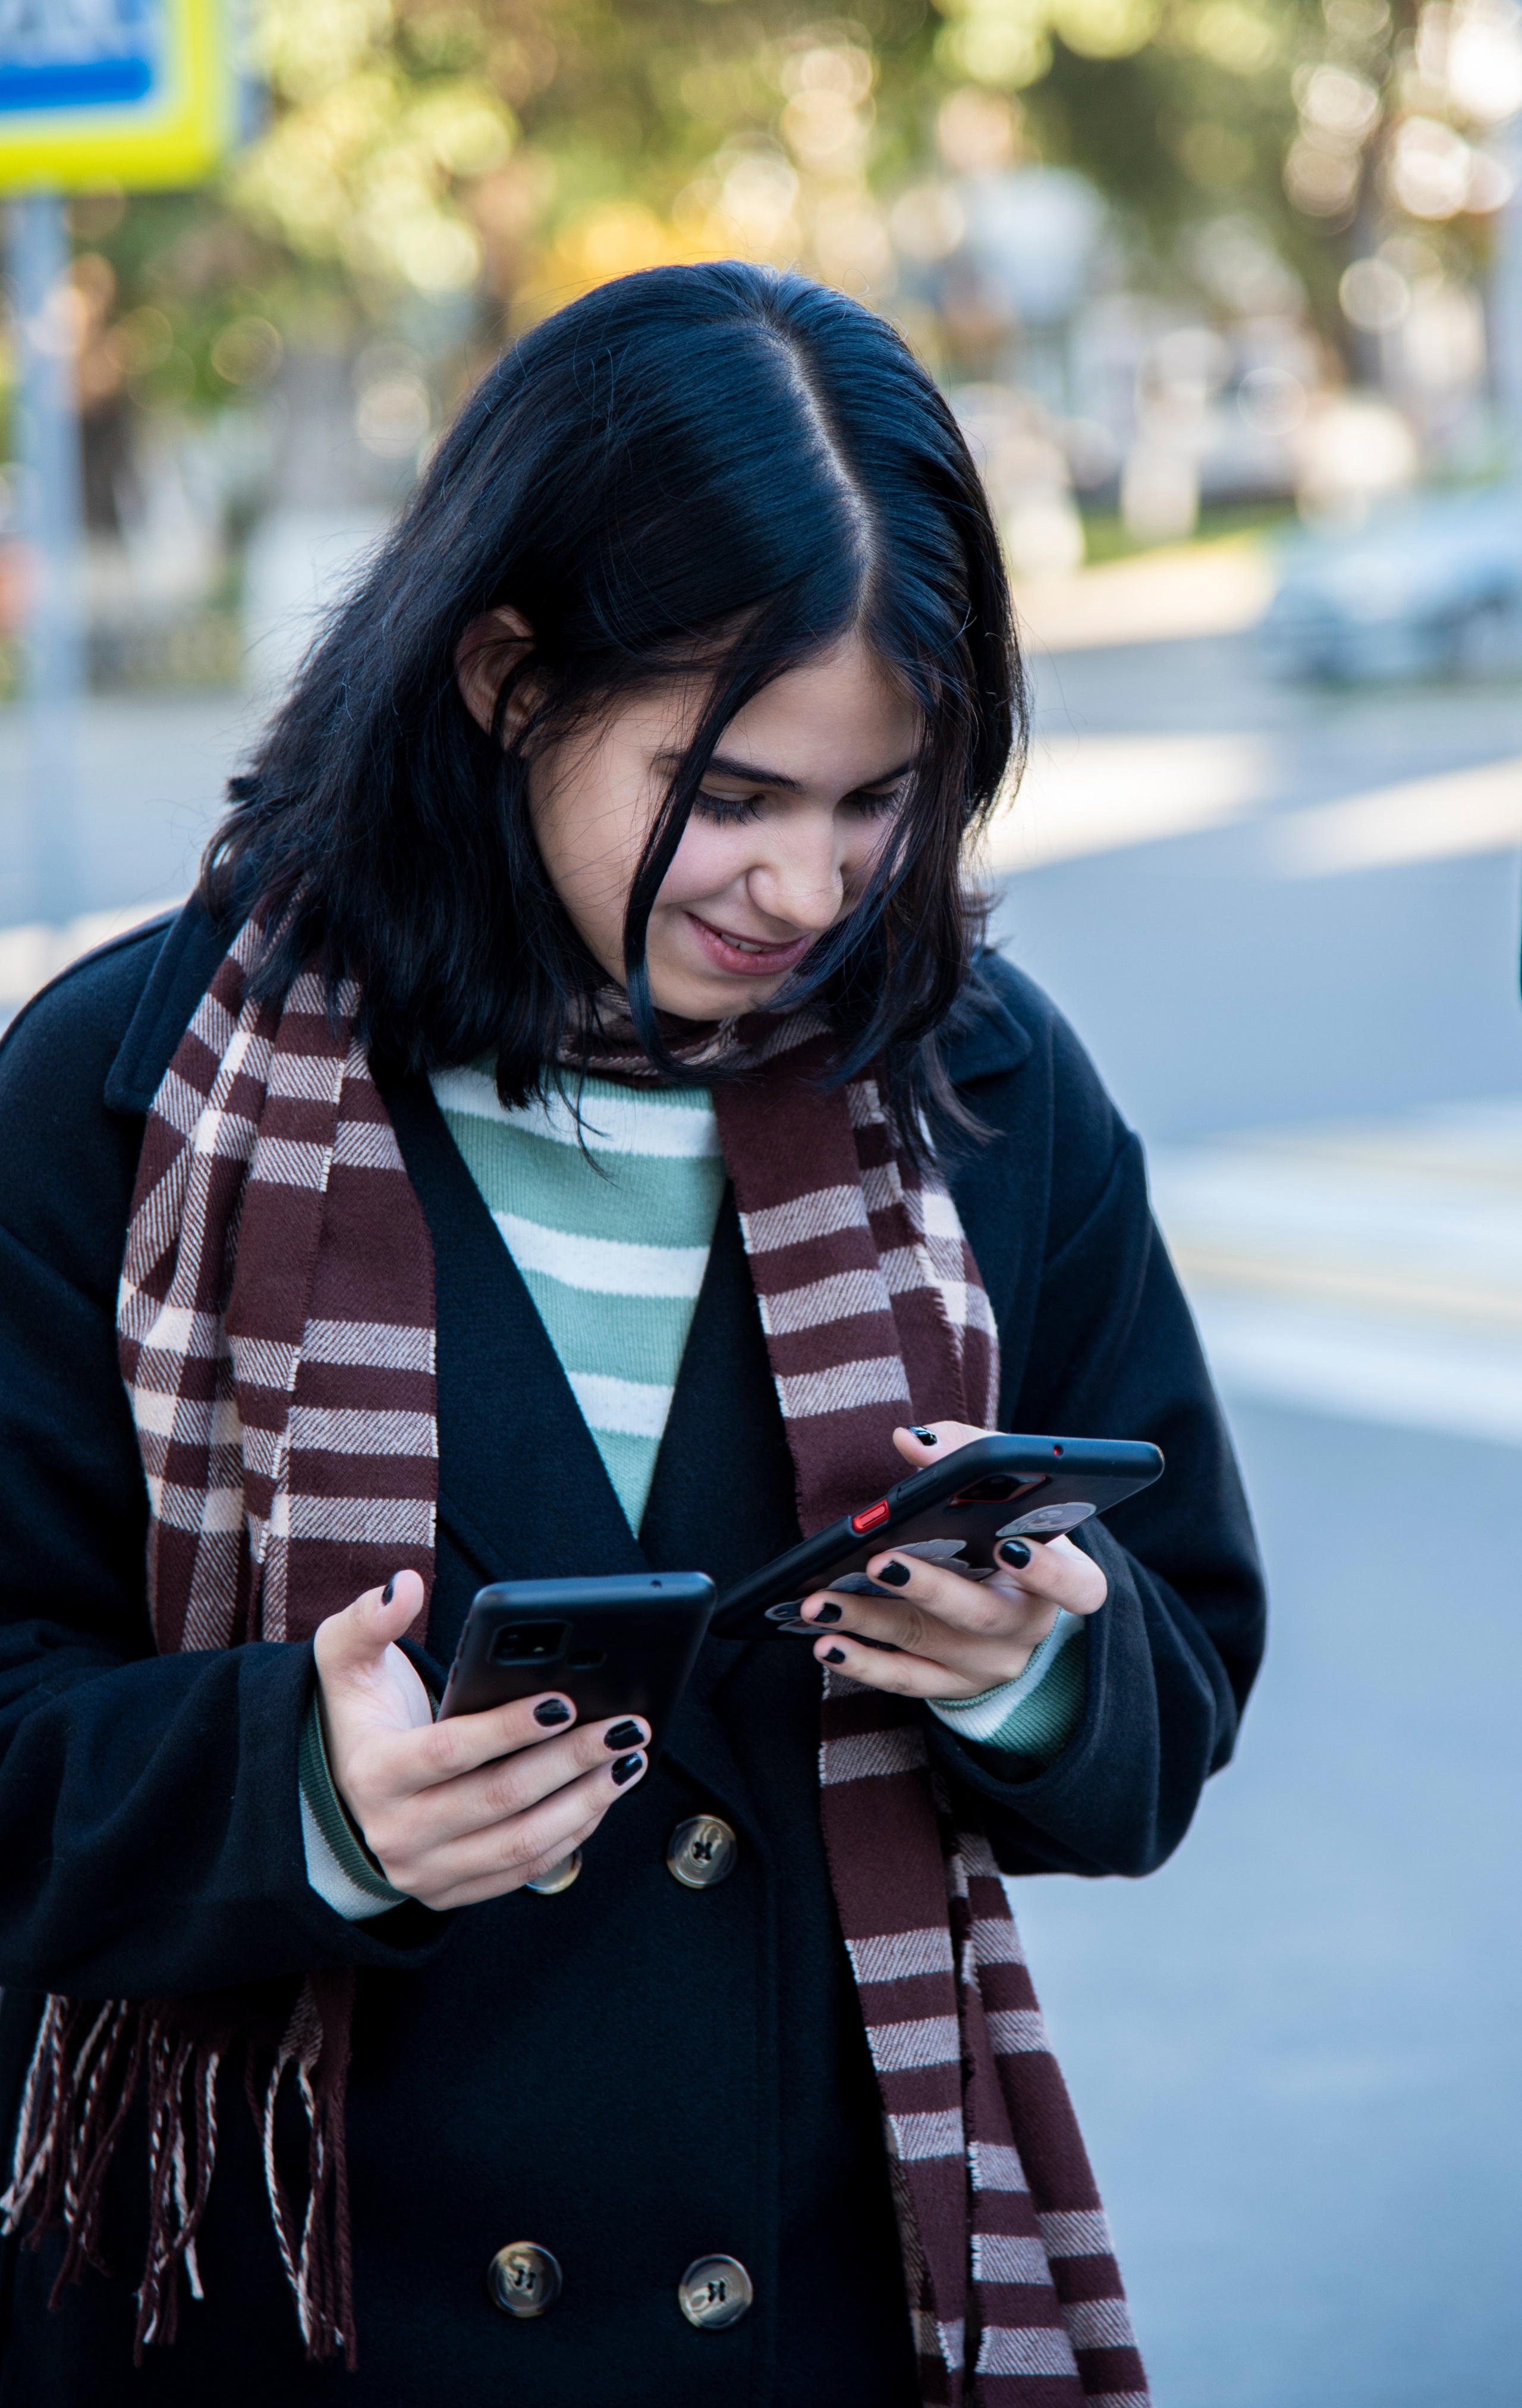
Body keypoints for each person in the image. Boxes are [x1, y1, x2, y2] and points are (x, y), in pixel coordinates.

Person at [0, 263, 1264, 2407]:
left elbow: (1186, 1665)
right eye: (735, 791)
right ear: (506, 680)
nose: (809, 891)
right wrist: (299, 1792)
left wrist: (1045, 1663)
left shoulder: (981, 1086)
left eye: (879, 804)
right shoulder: (122, 1096)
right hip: (267, 2328)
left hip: (804, 2325)